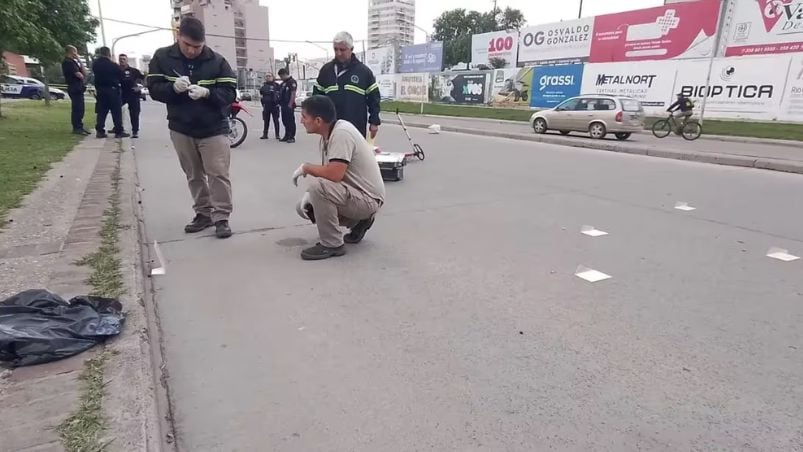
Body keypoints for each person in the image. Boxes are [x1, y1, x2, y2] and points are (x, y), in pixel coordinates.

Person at [146, 16, 237, 239]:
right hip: (181, 127)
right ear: (179, 37)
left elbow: (229, 93)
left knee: (218, 174)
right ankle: (203, 213)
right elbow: (154, 89)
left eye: (197, 46)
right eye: (187, 45)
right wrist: (173, 89)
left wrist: (208, 94)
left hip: (213, 126)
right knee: (193, 174)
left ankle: (221, 217)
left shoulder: (217, 62)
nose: (192, 51)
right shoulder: (163, 57)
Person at [292, 95, 385, 261]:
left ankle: (332, 244)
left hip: (368, 198)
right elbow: (330, 175)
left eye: (304, 117)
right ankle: (358, 222)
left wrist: (306, 168)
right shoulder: (329, 135)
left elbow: (334, 174)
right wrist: (310, 195)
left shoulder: (341, 134)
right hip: (359, 194)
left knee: (317, 188)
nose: (301, 121)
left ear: (318, 120)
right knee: (304, 206)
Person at [313, 31, 381, 139]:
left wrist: (374, 122)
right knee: (333, 155)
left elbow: (374, 98)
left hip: (355, 128)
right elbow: (316, 98)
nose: (338, 53)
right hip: (331, 128)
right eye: (336, 49)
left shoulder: (363, 72)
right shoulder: (326, 70)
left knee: (355, 156)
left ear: (351, 49)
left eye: (342, 49)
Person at [91, 46, 129, 138]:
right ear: (109, 54)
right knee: (116, 111)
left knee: (102, 111)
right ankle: (118, 131)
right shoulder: (113, 65)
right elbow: (122, 76)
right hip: (112, 90)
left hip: (100, 90)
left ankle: (100, 131)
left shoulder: (95, 64)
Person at [62, 46, 90, 135]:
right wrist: (82, 75)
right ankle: (76, 128)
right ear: (72, 52)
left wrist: (79, 60)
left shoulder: (74, 62)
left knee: (80, 108)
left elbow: (85, 73)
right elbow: (80, 75)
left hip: (79, 87)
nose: (77, 54)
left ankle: (80, 126)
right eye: (76, 52)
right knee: (77, 108)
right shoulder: (67, 62)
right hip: (74, 87)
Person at [118, 54, 144, 138]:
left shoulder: (134, 71)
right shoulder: (116, 70)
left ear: (127, 60)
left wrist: (139, 87)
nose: (122, 60)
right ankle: (118, 128)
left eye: (124, 59)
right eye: (120, 59)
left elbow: (143, 79)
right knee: (117, 111)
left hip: (133, 94)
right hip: (121, 94)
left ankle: (135, 131)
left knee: (134, 113)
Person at [259, 73, 281, 140]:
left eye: (269, 76)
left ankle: (277, 135)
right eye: (267, 76)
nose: (268, 77)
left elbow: (280, 95)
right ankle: (265, 134)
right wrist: (263, 104)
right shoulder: (263, 86)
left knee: (276, 120)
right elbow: (261, 95)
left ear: (272, 77)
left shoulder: (277, 85)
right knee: (266, 121)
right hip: (266, 106)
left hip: (274, 105)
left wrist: (278, 103)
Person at [278, 68, 297, 143]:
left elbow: (293, 93)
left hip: (289, 104)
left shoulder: (292, 82)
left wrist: (290, 104)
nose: (281, 78)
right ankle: (286, 135)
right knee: (285, 120)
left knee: (290, 121)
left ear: (285, 74)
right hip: (283, 105)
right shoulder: (283, 83)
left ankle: (292, 136)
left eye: (281, 76)